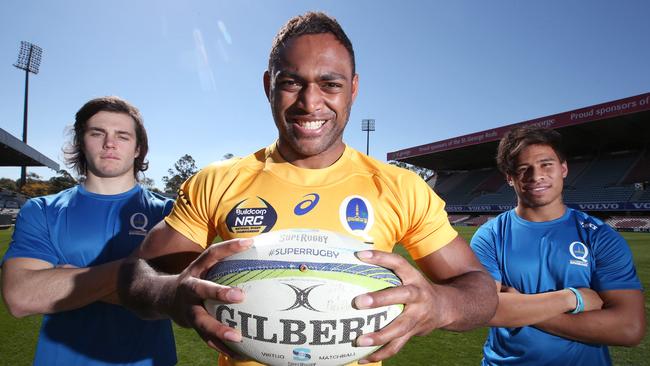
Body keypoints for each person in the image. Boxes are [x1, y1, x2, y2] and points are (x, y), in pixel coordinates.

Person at [118, 12, 497, 365]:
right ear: (269, 85)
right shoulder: (218, 181)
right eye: (291, 82)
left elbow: (480, 290)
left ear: (353, 89)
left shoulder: (400, 187)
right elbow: (137, 274)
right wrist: (171, 294)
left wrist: (441, 305)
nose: (310, 102)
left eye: (330, 84)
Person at [1, 97, 177, 365]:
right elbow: (21, 297)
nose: (110, 143)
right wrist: (141, 272)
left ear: (139, 148)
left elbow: (176, 299)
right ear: (82, 142)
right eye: (97, 133)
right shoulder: (42, 210)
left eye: (123, 136)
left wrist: (66, 277)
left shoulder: (169, 213)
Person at [470, 126, 646, 365]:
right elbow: (484, 309)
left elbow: (629, 328)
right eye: (524, 169)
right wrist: (573, 299)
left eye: (546, 165)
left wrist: (519, 306)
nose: (536, 176)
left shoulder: (600, 237)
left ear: (563, 169)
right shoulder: (490, 236)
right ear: (509, 178)